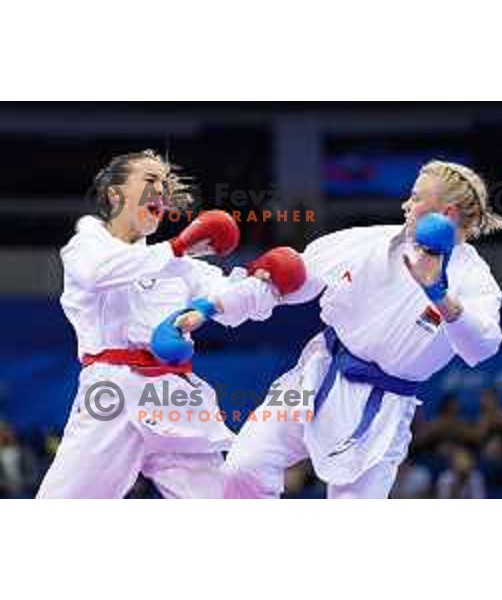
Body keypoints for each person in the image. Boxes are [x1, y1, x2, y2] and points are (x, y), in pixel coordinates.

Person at [218, 160, 502, 499]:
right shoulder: (369, 241)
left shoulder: (473, 278)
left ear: (447, 212)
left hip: (385, 409)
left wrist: (439, 295)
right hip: (314, 374)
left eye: (415, 198)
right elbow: (297, 278)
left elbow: (482, 346)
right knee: (241, 468)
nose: (406, 204)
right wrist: (222, 301)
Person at [37, 150, 304, 499]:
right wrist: (178, 247)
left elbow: (232, 302)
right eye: (150, 181)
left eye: (164, 185)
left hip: (171, 395)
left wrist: (266, 281)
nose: (160, 192)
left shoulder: (182, 266)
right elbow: (98, 273)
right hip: (110, 394)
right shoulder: (86, 246)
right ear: (115, 195)